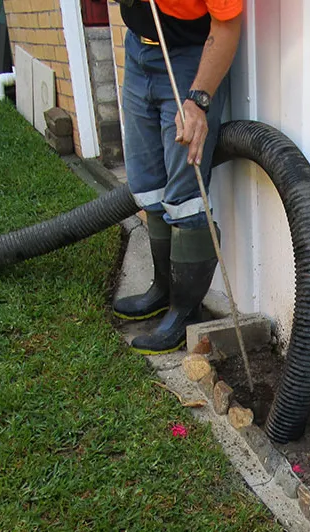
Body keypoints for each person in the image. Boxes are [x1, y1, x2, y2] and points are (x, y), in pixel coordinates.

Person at [112, 0, 243, 354]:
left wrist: (198, 101)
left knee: (184, 195)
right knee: (147, 185)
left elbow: (227, 25)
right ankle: (163, 289)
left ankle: (186, 311)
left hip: (188, 57)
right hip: (139, 48)